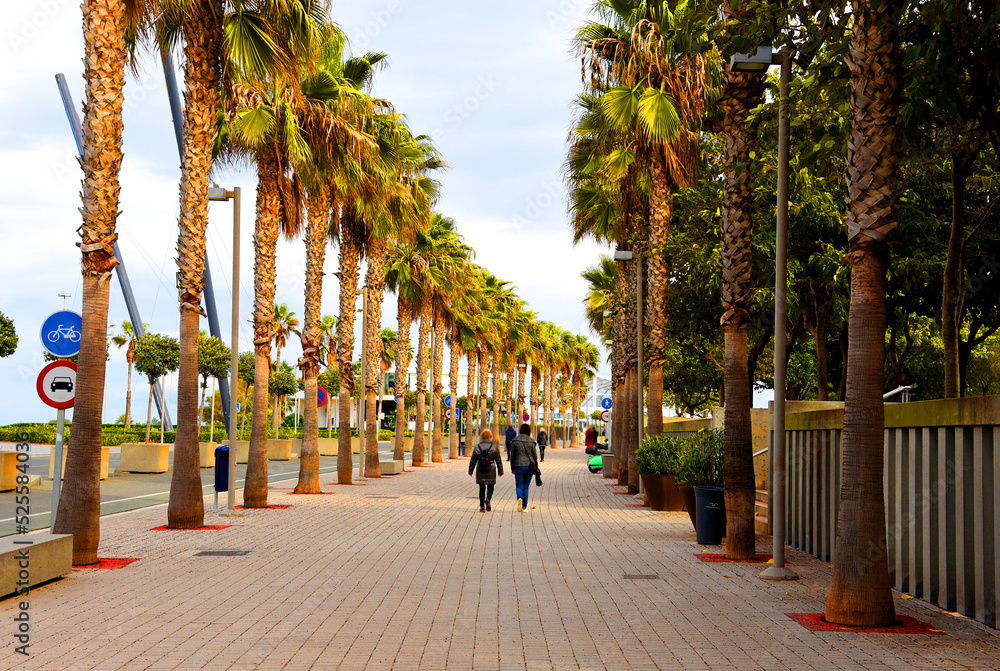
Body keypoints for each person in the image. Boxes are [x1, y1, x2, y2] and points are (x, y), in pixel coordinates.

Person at [468, 429, 503, 512]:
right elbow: (498, 460)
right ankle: (488, 499)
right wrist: (500, 471)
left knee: (482, 487)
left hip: (480, 469)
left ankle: (482, 507)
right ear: (490, 437)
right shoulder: (494, 447)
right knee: (491, 486)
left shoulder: (477, 447)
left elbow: (473, 460)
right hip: (491, 468)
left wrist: (470, 471)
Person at [510, 423, 539, 512]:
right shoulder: (531, 441)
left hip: (518, 465)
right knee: (526, 486)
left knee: (519, 485)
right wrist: (536, 467)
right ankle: (525, 507)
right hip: (529, 466)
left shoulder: (515, 441)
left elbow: (512, 456)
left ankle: (519, 498)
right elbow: (535, 456)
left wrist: (512, 467)